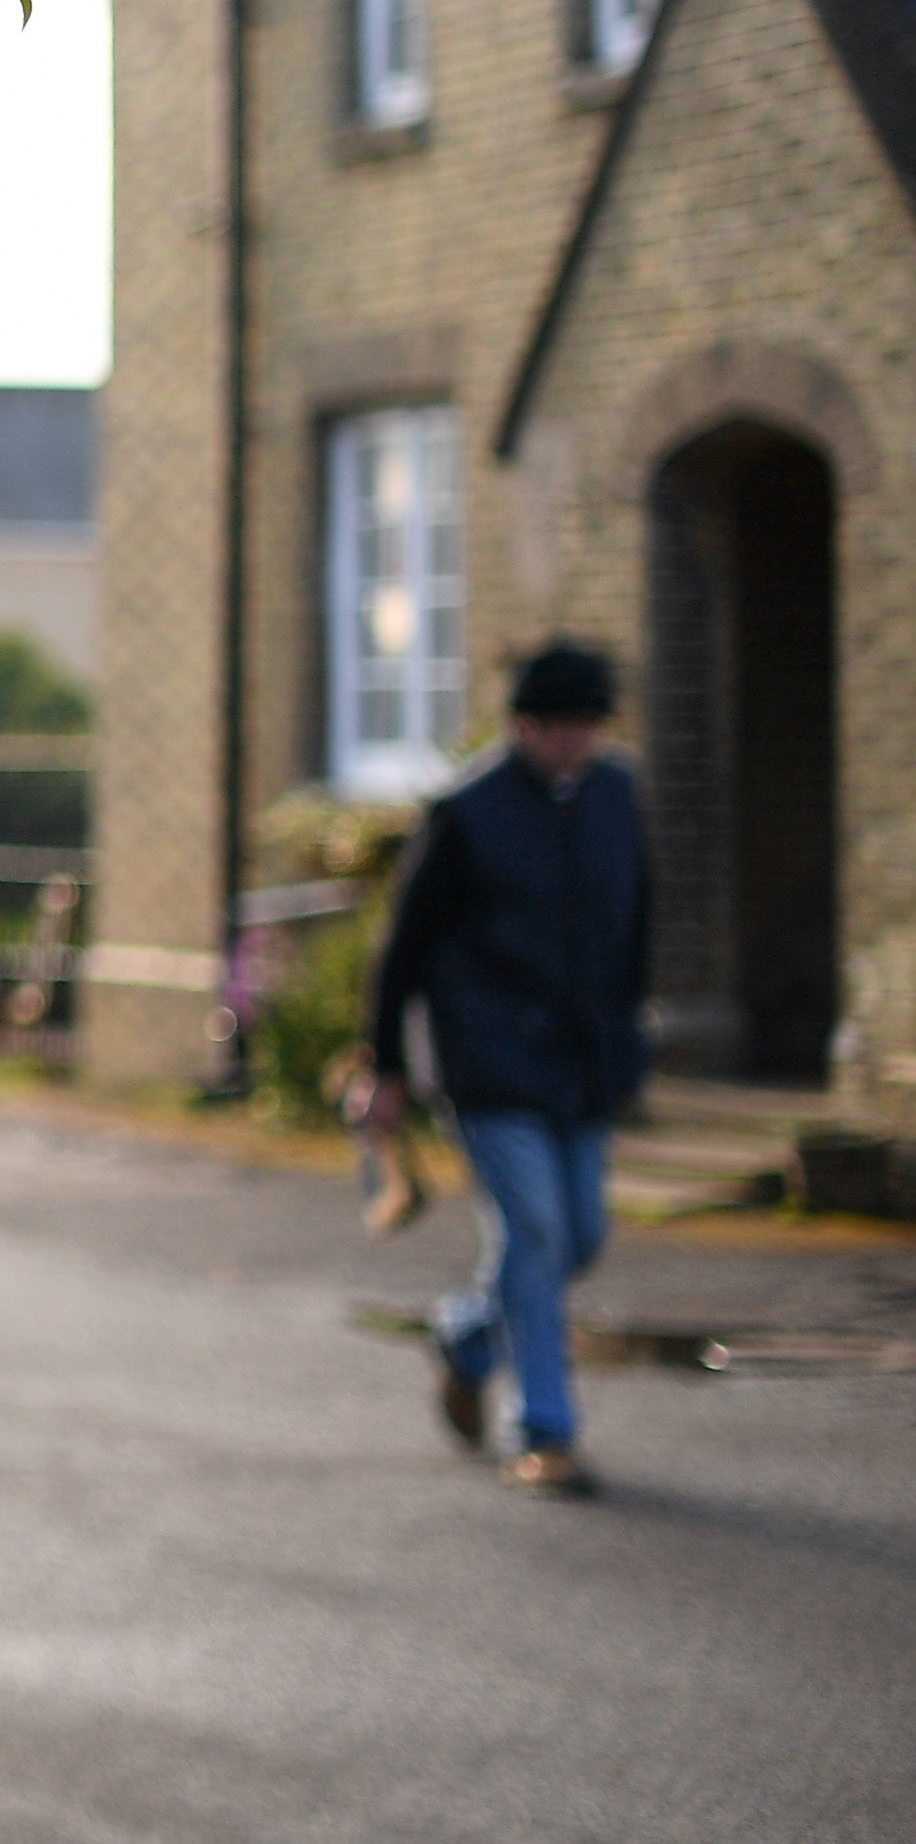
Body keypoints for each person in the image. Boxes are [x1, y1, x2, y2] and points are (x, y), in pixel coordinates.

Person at [352, 640, 653, 1496]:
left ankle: (469, 1337)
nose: (575, 743)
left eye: (587, 727)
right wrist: (384, 1066)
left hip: (585, 1061)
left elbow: (637, 924)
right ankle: (545, 1430)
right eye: (559, 728)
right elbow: (401, 950)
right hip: (488, 1060)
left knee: (581, 1236)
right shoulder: (466, 812)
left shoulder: (616, 796)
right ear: (521, 726)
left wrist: (630, 1037)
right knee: (535, 1232)